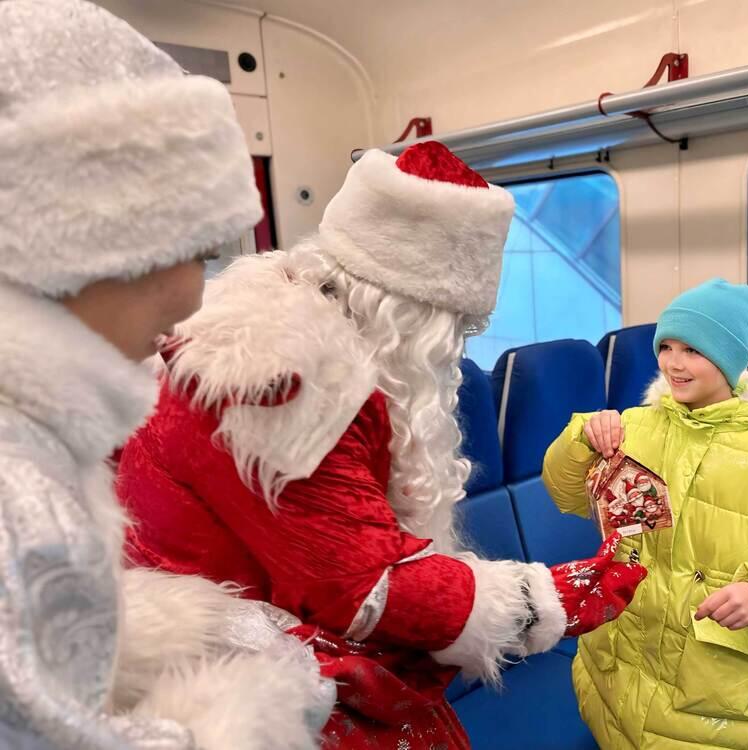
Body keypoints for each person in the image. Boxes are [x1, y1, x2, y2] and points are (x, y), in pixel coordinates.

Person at [115, 140, 647, 749]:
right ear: (411, 310)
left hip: (233, 599)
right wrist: (556, 598)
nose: (456, 351)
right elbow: (368, 588)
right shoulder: (286, 384)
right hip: (221, 659)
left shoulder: (282, 329)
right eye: (453, 328)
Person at [0, 1, 333, 747]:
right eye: (194, 252)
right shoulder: (22, 494)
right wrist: (242, 714)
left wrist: (194, 625)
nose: (193, 297)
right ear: (87, 248)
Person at [542, 278, 748, 750]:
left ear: (727, 360)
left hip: (713, 693)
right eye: (665, 346)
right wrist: (581, 438)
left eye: (693, 349)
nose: (674, 363)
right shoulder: (632, 428)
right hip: (618, 664)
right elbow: (564, 494)